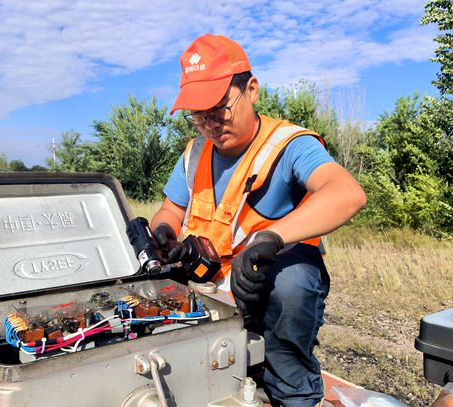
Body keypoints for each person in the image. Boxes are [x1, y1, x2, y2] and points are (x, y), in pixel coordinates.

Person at [150, 34, 367, 406]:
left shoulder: (289, 144)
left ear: (251, 90)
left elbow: (347, 193)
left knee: (293, 282)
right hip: (210, 285)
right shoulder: (195, 152)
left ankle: (294, 391)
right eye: (198, 116)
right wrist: (164, 234)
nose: (209, 125)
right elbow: (171, 209)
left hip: (265, 285)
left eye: (219, 108)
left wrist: (272, 237)